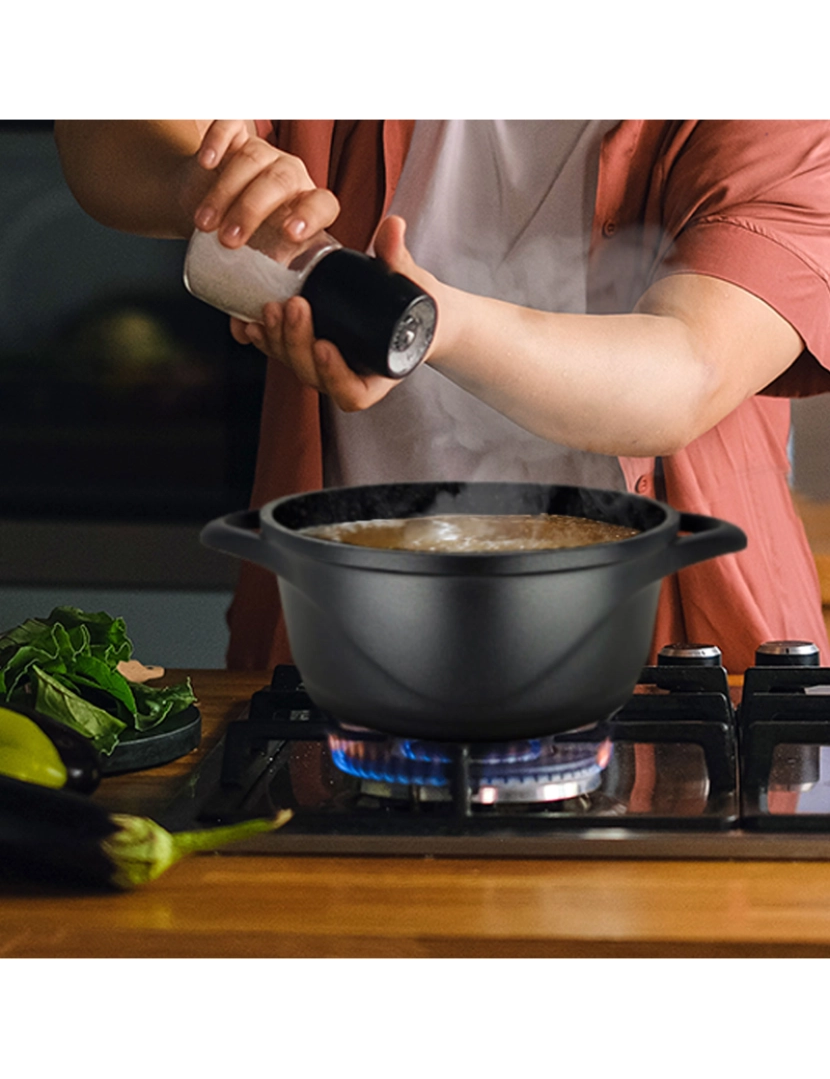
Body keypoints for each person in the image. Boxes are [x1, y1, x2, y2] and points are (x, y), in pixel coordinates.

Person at [53, 120, 830, 673]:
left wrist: (435, 326)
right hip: (340, 644)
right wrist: (203, 182)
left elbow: (686, 368)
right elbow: (110, 129)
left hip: (686, 655)